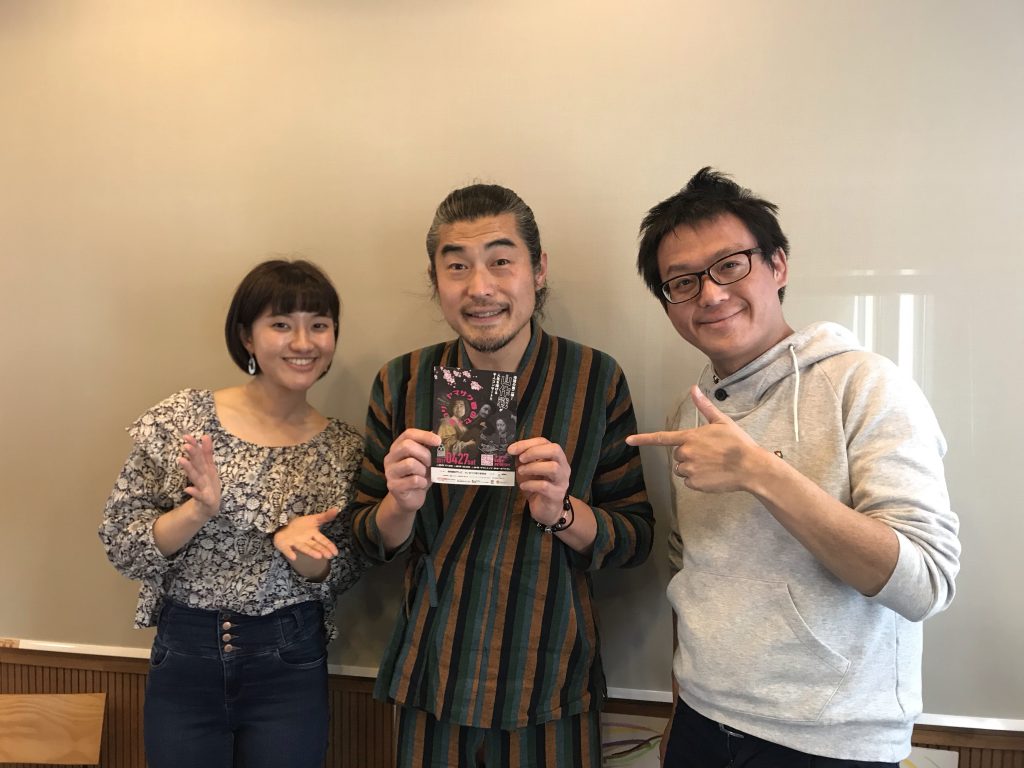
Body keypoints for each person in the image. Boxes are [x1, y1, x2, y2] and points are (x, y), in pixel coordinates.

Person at [627, 168, 961, 766]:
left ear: (777, 265)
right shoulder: (691, 410)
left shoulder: (866, 385)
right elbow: (690, 568)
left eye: (730, 265)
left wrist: (762, 472)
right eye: (682, 282)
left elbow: (925, 584)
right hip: (701, 723)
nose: (710, 295)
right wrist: (680, 707)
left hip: (830, 739)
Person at [351, 183, 654, 768]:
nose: (480, 287)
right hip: (432, 672)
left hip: (550, 673)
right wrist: (399, 506)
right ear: (436, 279)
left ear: (538, 270)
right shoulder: (403, 381)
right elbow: (365, 539)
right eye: (457, 266)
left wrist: (563, 512)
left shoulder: (593, 378)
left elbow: (635, 538)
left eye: (500, 261)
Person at [99, 259, 368, 768]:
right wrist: (196, 512)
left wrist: (304, 554)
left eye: (319, 325)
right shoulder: (184, 418)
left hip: (290, 658)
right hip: (186, 652)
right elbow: (121, 541)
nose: (303, 342)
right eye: (281, 324)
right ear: (247, 336)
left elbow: (348, 568)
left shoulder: (344, 447)